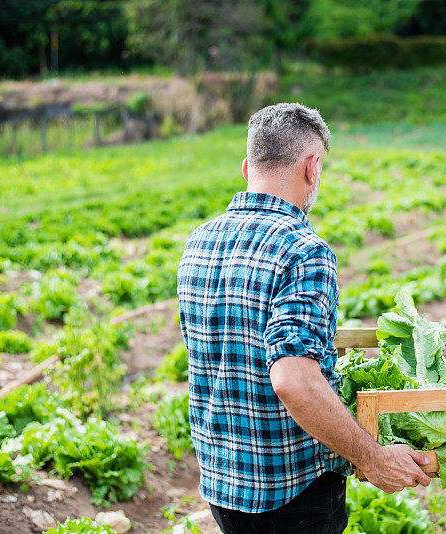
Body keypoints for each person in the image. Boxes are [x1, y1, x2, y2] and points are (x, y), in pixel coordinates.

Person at [177, 103, 431, 534]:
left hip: (223, 485)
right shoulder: (304, 251)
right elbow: (294, 380)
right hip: (293, 494)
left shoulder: (198, 242)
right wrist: (373, 457)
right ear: (312, 168)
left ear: (247, 168)